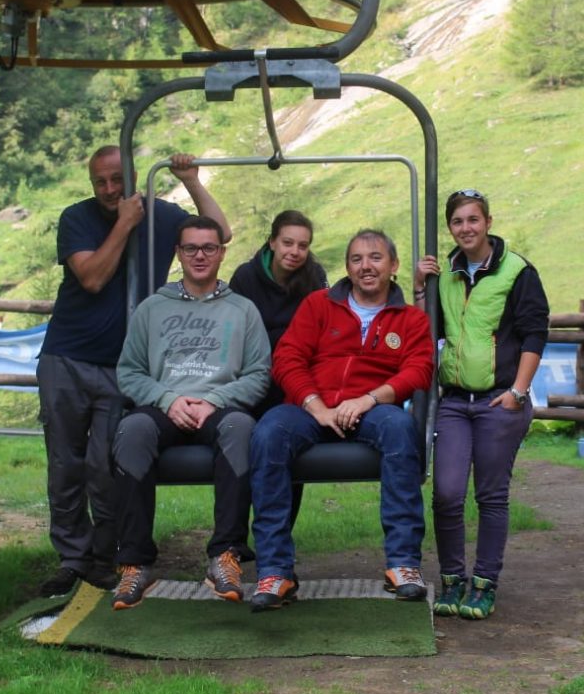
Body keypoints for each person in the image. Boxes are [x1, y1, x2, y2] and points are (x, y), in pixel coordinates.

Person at [36, 146, 230, 597]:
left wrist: (192, 182)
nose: (108, 190)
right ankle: (71, 558)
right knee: (66, 463)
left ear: (133, 177)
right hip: (67, 356)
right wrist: (124, 222)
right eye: (100, 182)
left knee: (107, 465)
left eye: (116, 180)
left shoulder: (161, 216)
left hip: (126, 363)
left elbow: (220, 233)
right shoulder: (77, 218)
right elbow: (93, 277)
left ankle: (105, 557)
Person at [248, 229, 434, 612]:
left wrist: (369, 399)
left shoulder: (410, 319)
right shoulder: (319, 305)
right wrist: (315, 405)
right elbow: (287, 358)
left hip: (372, 409)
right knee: (269, 432)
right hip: (312, 407)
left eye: (375, 257)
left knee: (401, 428)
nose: (366, 266)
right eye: (356, 259)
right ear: (347, 268)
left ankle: (402, 564)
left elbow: (419, 370)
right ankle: (275, 569)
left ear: (394, 265)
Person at [110, 216, 270, 610]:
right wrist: (168, 400)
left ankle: (224, 556)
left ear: (222, 253)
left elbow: (259, 374)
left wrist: (215, 400)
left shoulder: (243, 310)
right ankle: (134, 563)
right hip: (164, 404)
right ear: (178, 253)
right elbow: (128, 372)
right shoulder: (152, 309)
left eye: (209, 248)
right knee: (131, 432)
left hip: (220, 407)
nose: (200, 256)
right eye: (191, 248)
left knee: (240, 428)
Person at [414, 188, 549, 620]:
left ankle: (485, 583)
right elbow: (423, 326)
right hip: (454, 401)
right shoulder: (445, 272)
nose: (466, 228)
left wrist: (518, 392)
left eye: (473, 220)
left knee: (491, 496)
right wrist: (419, 286)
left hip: (498, 401)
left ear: (488, 221)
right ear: (450, 228)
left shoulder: (517, 270)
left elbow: (534, 333)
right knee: (448, 494)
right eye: (458, 222)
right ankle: (453, 580)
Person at [228, 209, 329, 414]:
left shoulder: (315, 276)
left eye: (303, 246)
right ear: (272, 242)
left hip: (299, 364)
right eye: (287, 243)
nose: (294, 252)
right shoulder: (245, 277)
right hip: (256, 365)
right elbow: (234, 332)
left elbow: (325, 325)